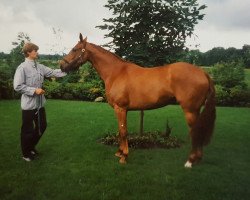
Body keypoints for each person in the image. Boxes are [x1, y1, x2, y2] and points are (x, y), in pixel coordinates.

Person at [13, 42, 67, 162]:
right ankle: (26, 153)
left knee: (42, 127)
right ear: (28, 52)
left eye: (36, 50)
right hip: (28, 105)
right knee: (27, 130)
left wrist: (68, 70)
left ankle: (30, 147)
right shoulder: (22, 68)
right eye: (35, 50)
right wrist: (34, 90)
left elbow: (53, 72)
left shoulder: (40, 67)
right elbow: (17, 86)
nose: (37, 52)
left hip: (40, 104)